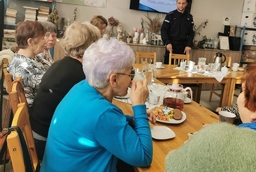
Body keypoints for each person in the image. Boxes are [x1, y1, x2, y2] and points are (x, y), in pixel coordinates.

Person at [41, 39, 154, 172]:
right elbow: (144, 157)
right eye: (131, 73)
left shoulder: (82, 86)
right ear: (114, 79)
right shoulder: (103, 114)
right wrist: (139, 106)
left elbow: (97, 124)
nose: (131, 79)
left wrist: (134, 119)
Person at [165, 60, 256, 171]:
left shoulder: (218, 138)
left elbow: (171, 165)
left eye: (243, 91)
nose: (240, 96)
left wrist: (207, 138)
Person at [29, 22, 101, 161]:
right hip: (46, 142)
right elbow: (94, 113)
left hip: (37, 132)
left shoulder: (61, 64)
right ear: (91, 46)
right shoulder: (79, 74)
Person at [7, 20, 48, 107]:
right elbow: (50, 86)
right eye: (42, 38)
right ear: (30, 42)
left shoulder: (34, 57)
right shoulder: (23, 68)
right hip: (38, 113)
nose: (45, 41)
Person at [161, 0, 195, 64]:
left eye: (183, 3)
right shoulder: (170, 15)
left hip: (183, 47)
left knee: (182, 70)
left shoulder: (189, 17)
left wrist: (189, 45)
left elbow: (191, 32)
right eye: (179, 3)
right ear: (176, 3)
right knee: (168, 69)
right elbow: (163, 30)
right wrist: (167, 43)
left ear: (186, 4)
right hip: (171, 46)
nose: (181, 5)